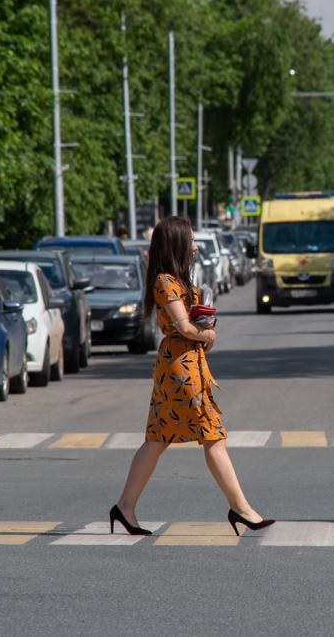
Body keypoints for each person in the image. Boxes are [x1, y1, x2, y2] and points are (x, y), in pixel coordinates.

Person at [110, 215, 274, 536]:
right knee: (212, 436)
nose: (197, 247)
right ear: (177, 244)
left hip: (187, 364)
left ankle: (125, 507)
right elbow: (184, 328)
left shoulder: (181, 282)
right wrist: (207, 335)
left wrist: (206, 329)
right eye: (192, 240)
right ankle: (241, 509)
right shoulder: (165, 282)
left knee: (158, 440)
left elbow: (193, 326)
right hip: (180, 371)